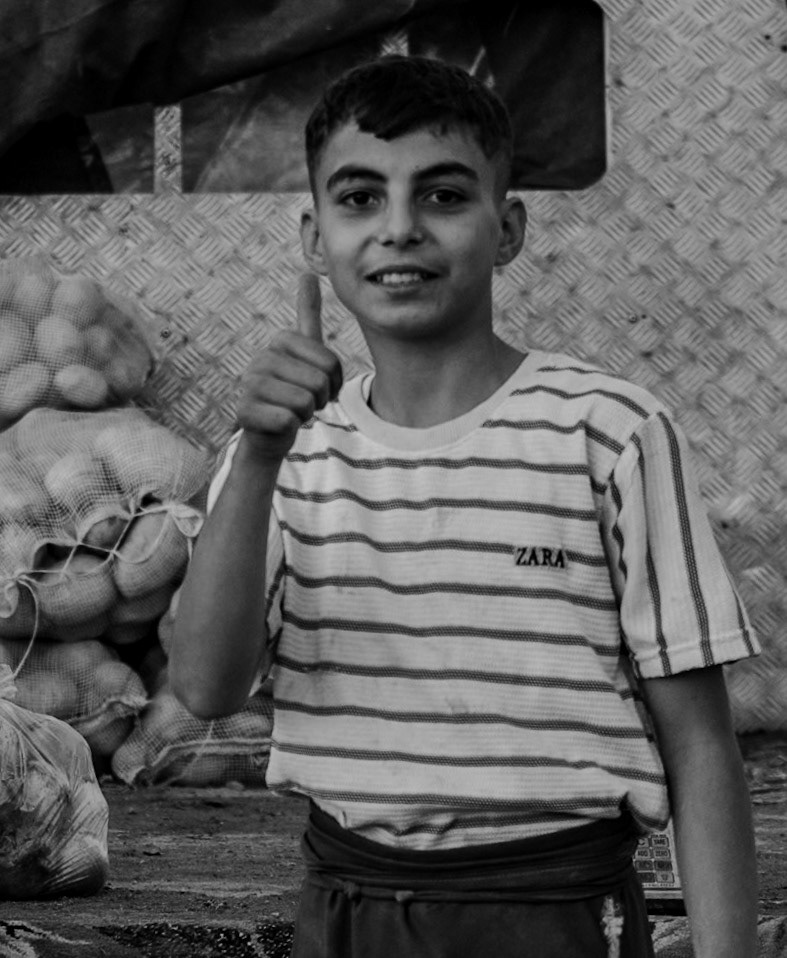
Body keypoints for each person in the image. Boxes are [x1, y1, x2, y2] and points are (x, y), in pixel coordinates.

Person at [170, 55, 760, 957]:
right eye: (359, 198)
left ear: (508, 227)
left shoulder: (610, 431)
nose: (398, 229)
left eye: (443, 196)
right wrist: (254, 456)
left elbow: (701, 747)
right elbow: (206, 687)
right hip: (347, 911)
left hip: (557, 911)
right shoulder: (288, 449)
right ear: (311, 237)